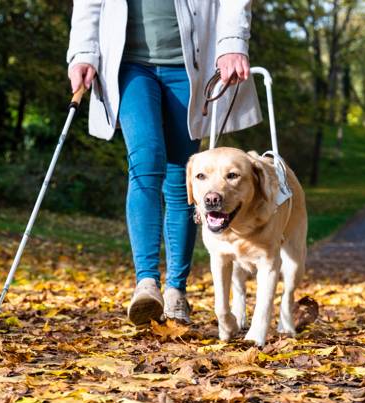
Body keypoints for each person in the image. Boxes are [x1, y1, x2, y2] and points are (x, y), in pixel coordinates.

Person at [67, 0, 262, 325]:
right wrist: (83, 54)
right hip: (128, 66)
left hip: (190, 65)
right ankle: (146, 283)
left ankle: (176, 291)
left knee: (182, 178)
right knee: (145, 162)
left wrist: (232, 43)